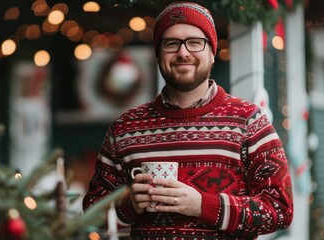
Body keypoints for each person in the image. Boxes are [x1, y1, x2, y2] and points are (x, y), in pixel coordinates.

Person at [83, 1, 293, 239]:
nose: (183, 53)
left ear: (212, 53)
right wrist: (128, 203)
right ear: (158, 54)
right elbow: (91, 212)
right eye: (171, 44)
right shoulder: (124, 128)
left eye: (195, 42)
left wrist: (202, 205)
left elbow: (280, 209)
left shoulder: (248, 121)